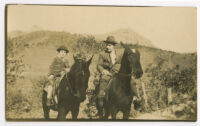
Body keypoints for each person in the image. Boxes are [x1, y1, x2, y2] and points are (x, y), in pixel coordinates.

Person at [95, 36, 140, 106]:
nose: (107, 47)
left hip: (119, 73)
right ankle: (101, 97)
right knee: (103, 79)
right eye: (106, 45)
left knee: (131, 81)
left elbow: (128, 58)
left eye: (109, 45)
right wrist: (103, 70)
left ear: (113, 46)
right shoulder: (102, 54)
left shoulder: (120, 53)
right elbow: (99, 65)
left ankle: (136, 98)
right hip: (108, 73)